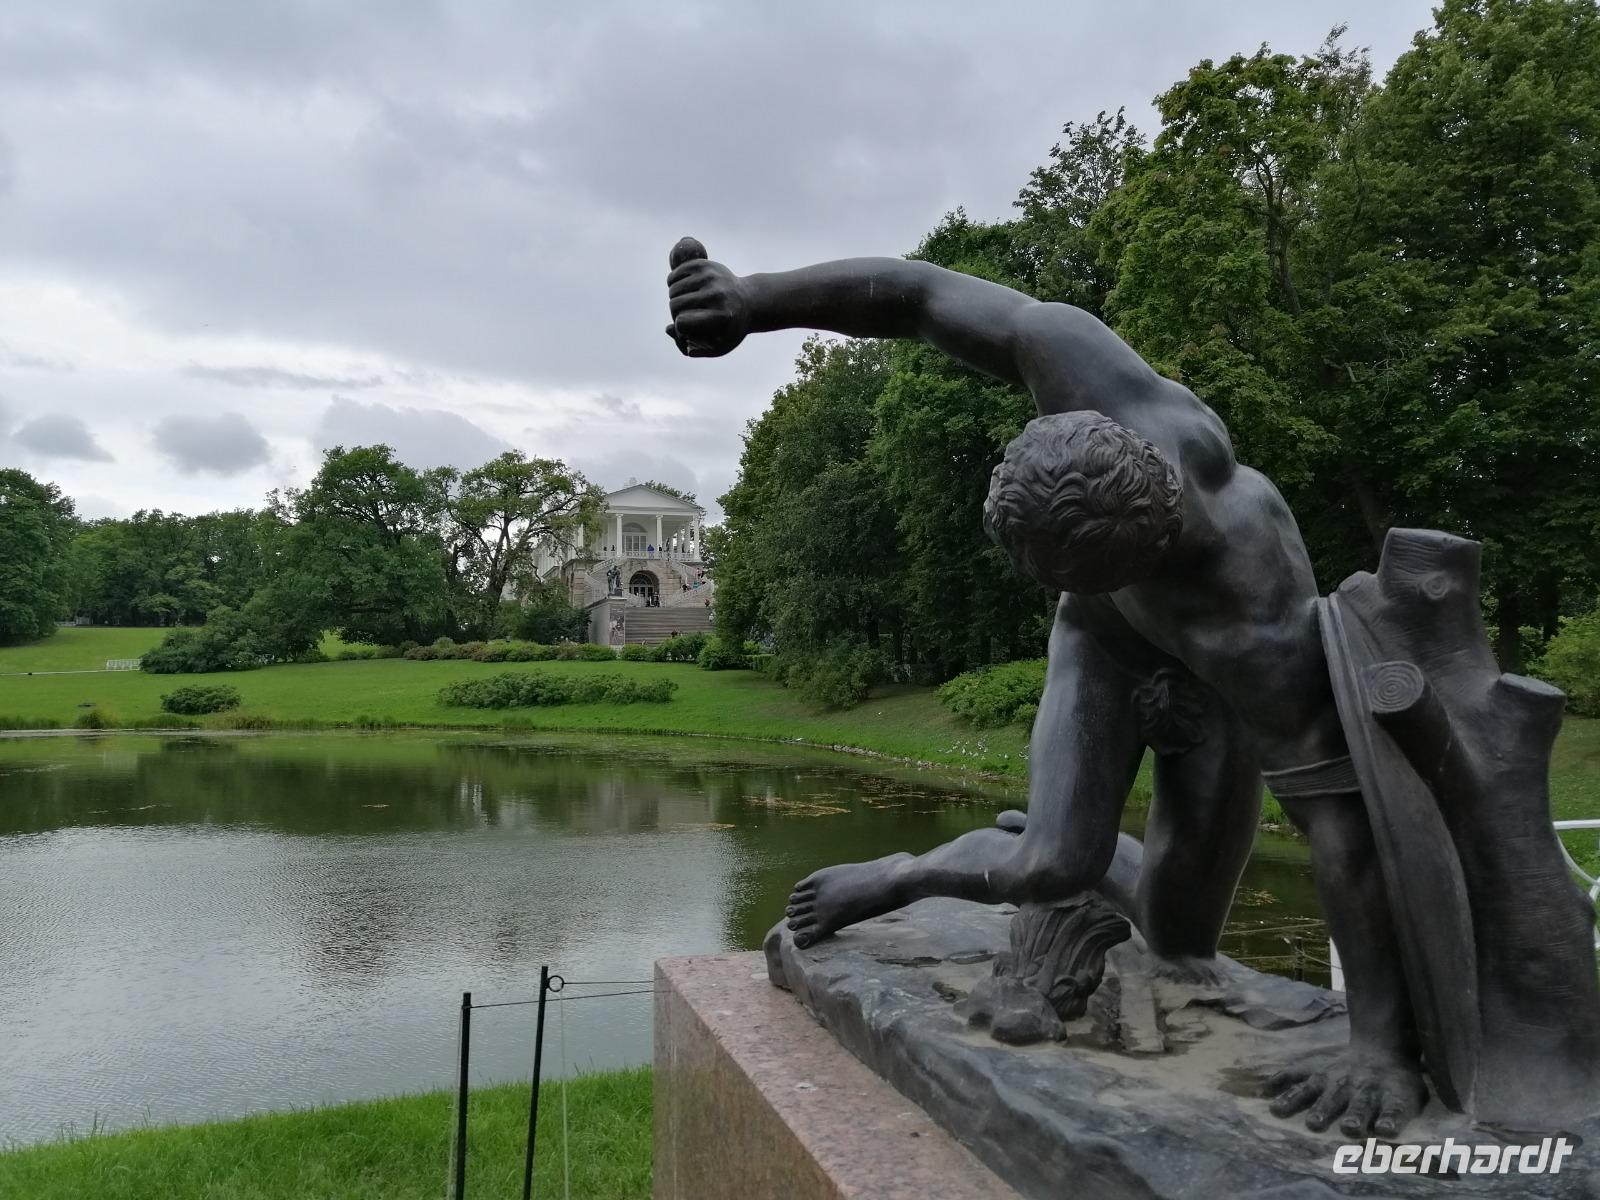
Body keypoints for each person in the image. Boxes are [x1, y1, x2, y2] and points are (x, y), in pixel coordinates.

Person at [667, 240, 1425, 1137]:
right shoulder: (1076, 360)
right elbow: (913, 295)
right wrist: (753, 299)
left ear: (1151, 547)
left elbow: (1346, 834)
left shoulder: (1258, 627)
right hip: (1103, 638)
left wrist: (1380, 1049)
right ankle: (902, 875)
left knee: (1182, 942)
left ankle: (1088, 841)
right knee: (1050, 866)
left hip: (1208, 671)